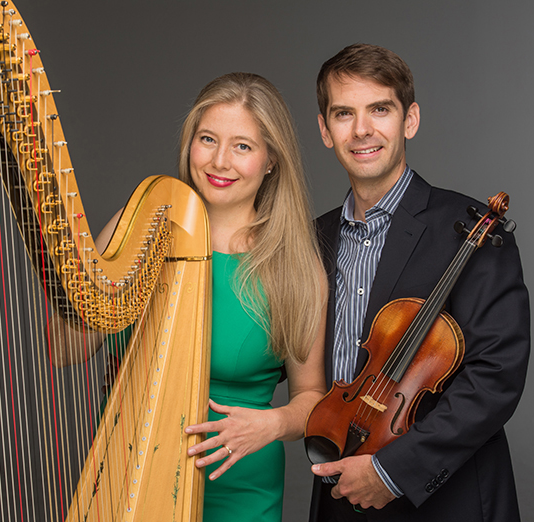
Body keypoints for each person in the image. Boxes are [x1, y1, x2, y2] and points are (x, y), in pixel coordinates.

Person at [308, 43, 530, 522]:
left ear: (409, 120)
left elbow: (497, 376)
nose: (362, 130)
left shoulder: (473, 231)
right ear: (326, 131)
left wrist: (391, 472)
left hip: (447, 502)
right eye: (344, 113)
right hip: (338, 496)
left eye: (380, 109)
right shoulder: (313, 238)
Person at [179, 72, 327, 521]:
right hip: (135, 465)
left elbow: (312, 397)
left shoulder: (294, 268)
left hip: (238, 482)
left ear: (270, 161)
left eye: (242, 146)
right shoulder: (142, 234)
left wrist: (272, 424)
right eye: (208, 139)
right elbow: (62, 350)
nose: (220, 160)